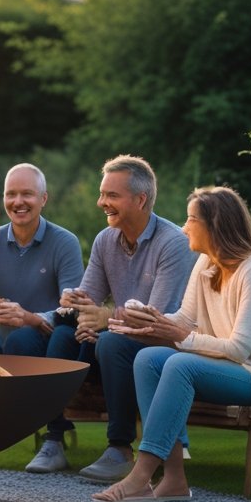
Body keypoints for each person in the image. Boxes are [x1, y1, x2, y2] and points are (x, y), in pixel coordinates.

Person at [91, 186, 251, 502]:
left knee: (180, 364)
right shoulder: (205, 263)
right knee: (149, 359)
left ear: (215, 225)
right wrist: (147, 321)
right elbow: (184, 317)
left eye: (190, 219)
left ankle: (140, 477)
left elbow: (238, 348)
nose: (183, 228)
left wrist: (179, 336)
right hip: (235, 371)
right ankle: (174, 479)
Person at [46, 155, 198, 481]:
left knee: (112, 343)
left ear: (140, 199)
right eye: (102, 194)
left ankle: (120, 449)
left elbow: (155, 319)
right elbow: (91, 298)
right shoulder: (105, 240)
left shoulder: (173, 244)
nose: (102, 202)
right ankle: (54, 439)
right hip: (118, 338)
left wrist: (104, 319)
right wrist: (78, 307)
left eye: (111, 196)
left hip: (160, 345)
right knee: (63, 333)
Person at [0, 163, 85, 473]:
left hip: (52, 334)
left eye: (27, 194)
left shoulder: (64, 242)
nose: (18, 202)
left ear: (44, 199)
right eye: (11, 194)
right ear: (3, 198)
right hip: (6, 336)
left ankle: (54, 439)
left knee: (23, 336)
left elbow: (73, 307)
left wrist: (31, 317)